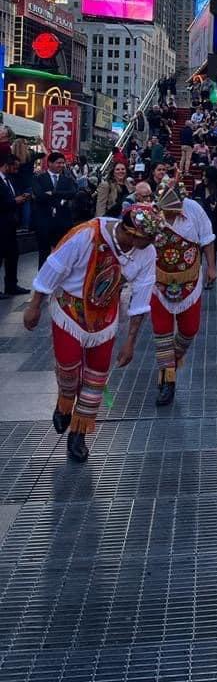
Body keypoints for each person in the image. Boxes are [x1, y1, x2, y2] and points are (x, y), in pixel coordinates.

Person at [22, 205, 160, 463]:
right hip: (69, 310)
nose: (152, 243)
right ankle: (64, 400)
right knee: (69, 367)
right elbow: (53, 268)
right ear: (130, 233)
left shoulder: (146, 252)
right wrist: (34, 306)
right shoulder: (86, 235)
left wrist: (130, 342)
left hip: (105, 316)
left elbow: (142, 296)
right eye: (147, 238)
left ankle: (79, 432)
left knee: (97, 375)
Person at [151, 183, 217, 406]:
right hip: (158, 283)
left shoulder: (194, 210)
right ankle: (167, 379)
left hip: (190, 281)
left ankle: (174, 359)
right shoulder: (152, 213)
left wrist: (211, 267)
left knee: (189, 330)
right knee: (162, 333)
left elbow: (207, 239)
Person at [31, 152, 77, 268]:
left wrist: (53, 193)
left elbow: (72, 193)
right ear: (50, 163)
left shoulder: (67, 180)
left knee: (62, 254)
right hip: (44, 221)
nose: (61, 165)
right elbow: (40, 195)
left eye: (63, 163)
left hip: (63, 222)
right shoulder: (39, 178)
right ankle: (42, 281)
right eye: (58, 163)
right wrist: (61, 196)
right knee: (44, 254)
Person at [0, 153, 30, 297]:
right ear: (7, 165)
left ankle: (11, 285)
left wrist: (21, 198)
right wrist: (14, 201)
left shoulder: (10, 179)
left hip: (11, 225)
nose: (16, 170)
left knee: (13, 255)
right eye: (15, 167)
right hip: (1, 224)